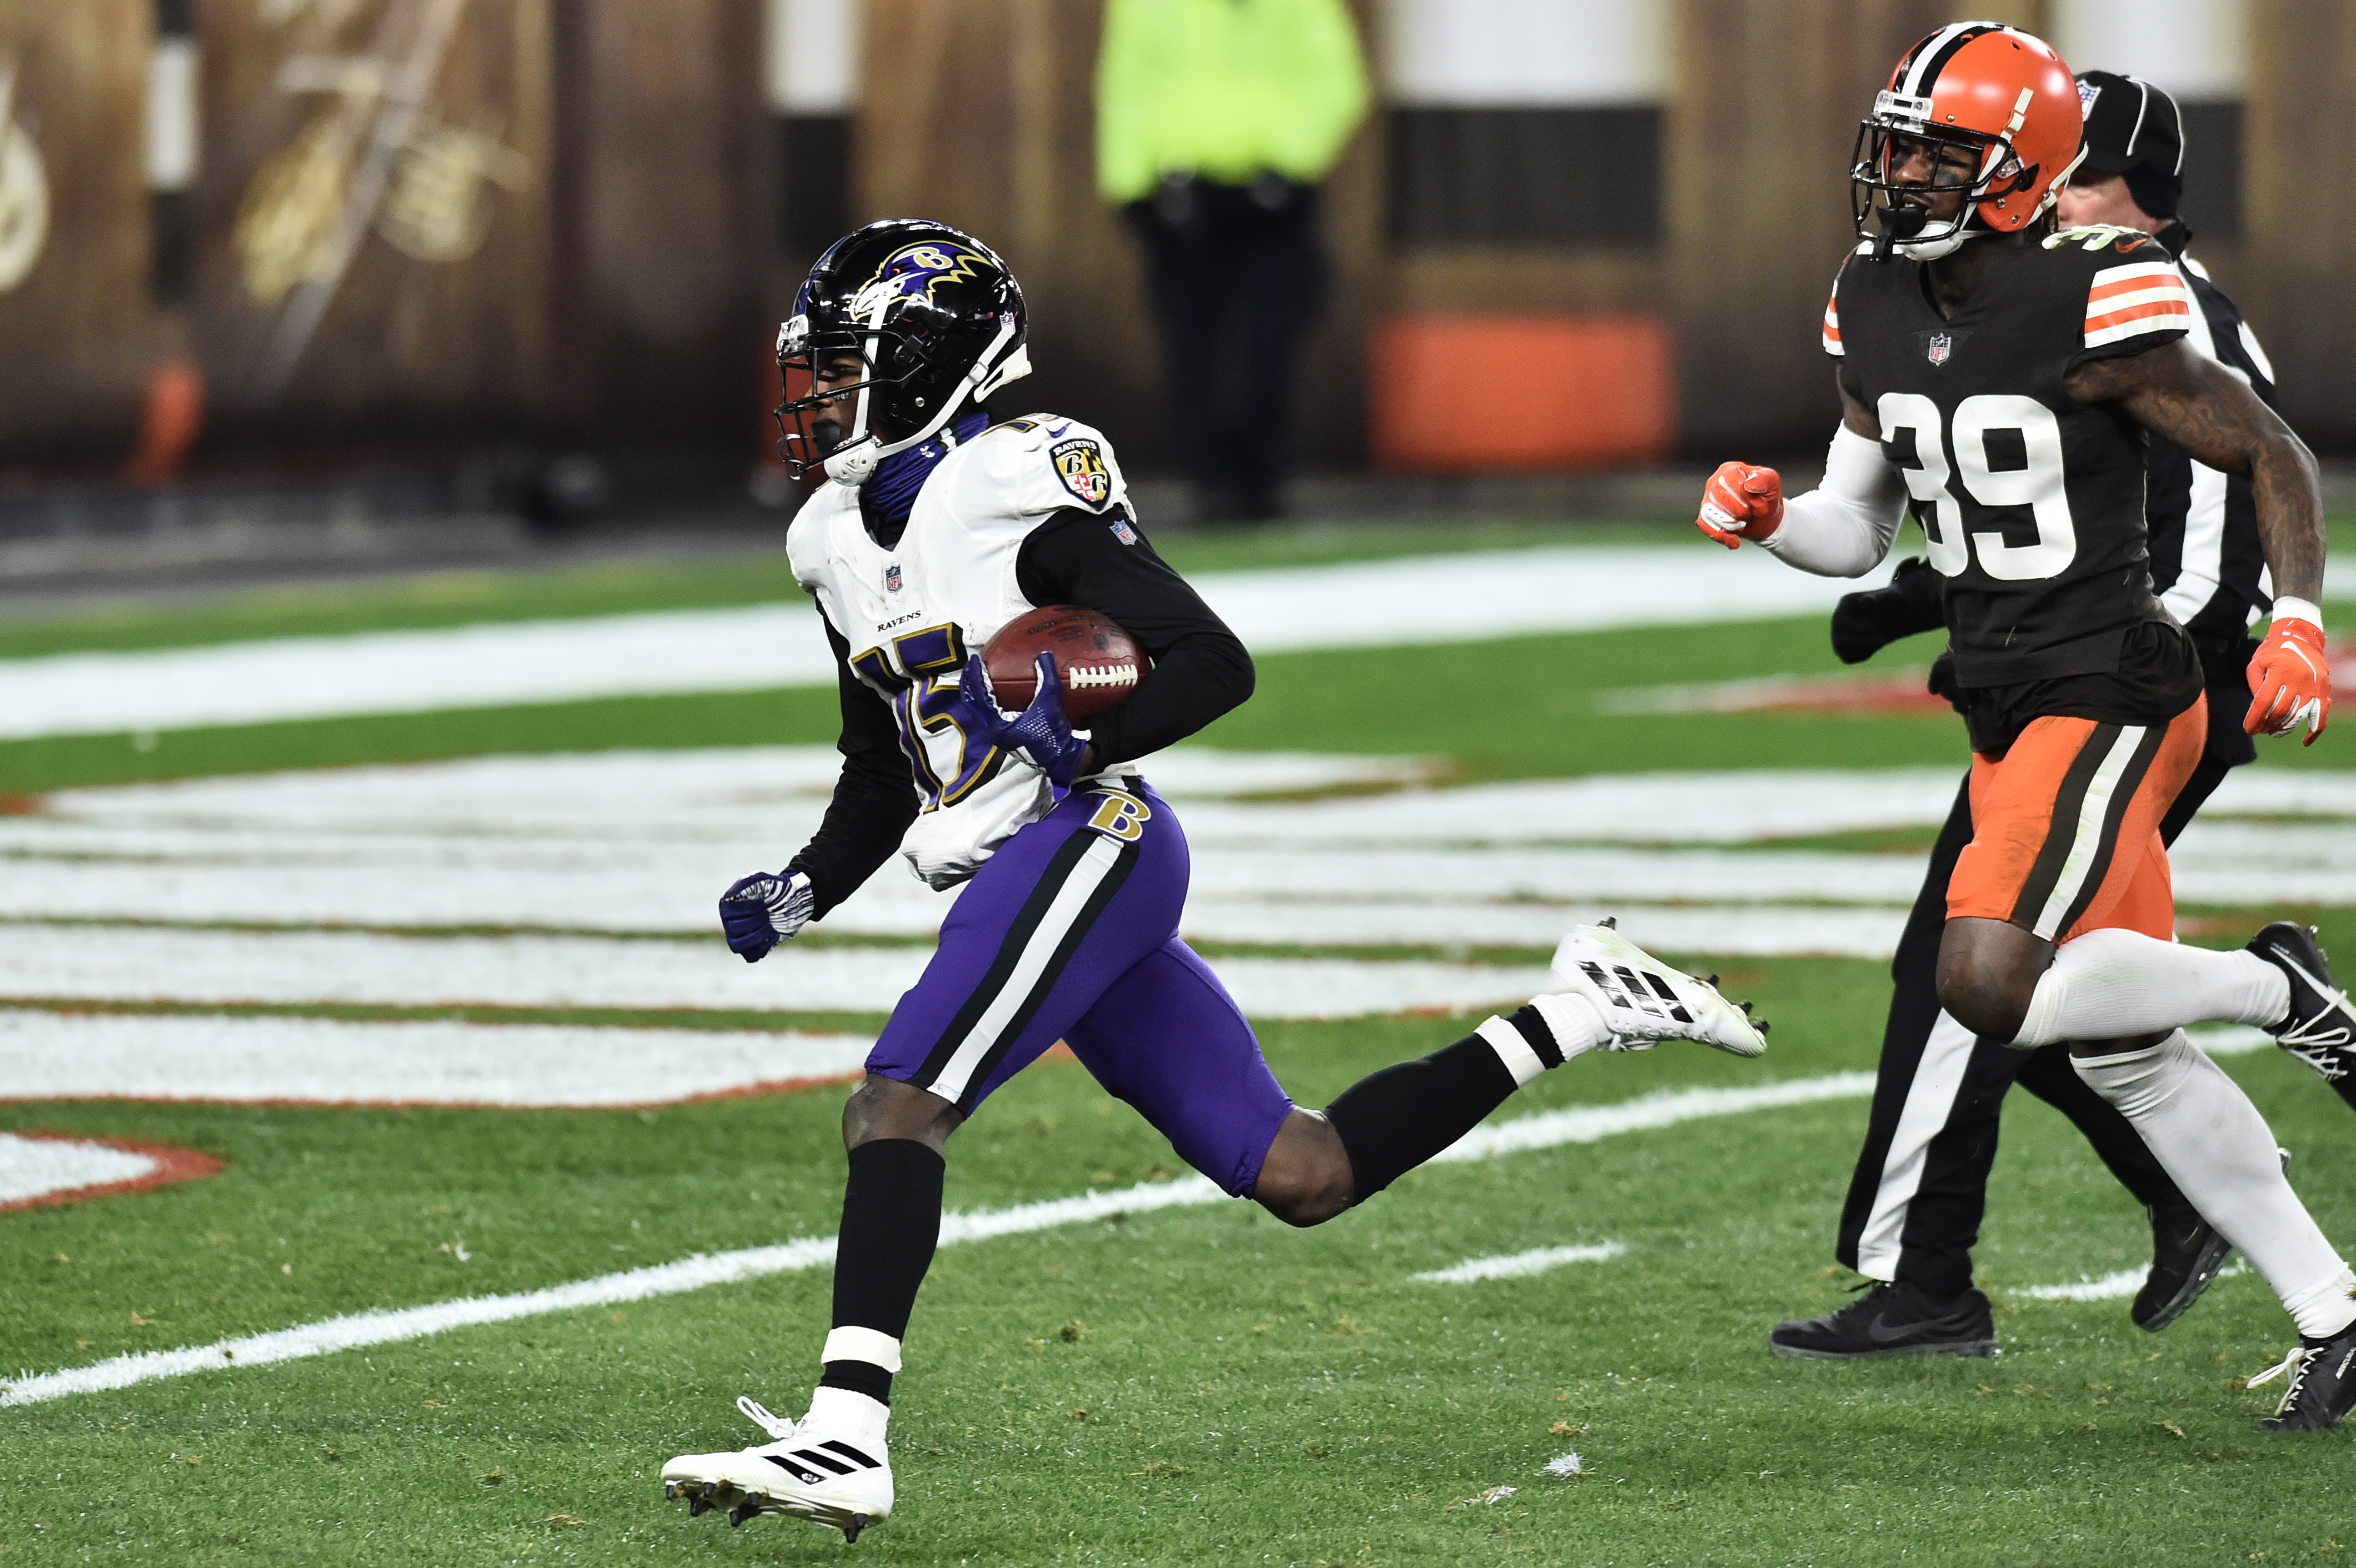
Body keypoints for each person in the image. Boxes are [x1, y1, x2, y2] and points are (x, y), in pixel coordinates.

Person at [658, 218, 1768, 1541]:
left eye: (850, 361)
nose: (823, 391)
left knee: (899, 1102)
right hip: (1021, 868)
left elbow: (1209, 658)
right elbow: (877, 762)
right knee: (1303, 1171)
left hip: (1090, 836)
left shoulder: (1016, 483)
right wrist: (799, 884)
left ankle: (844, 1436)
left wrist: (1074, 728)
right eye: (820, 366)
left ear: (938, 361)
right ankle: (1578, 1009)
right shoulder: (831, 537)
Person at [1692, 24, 2356, 1430]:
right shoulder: (1868, 296)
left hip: (2110, 680)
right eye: (1895, 142)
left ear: (2018, 174)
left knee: (1981, 976)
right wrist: (1769, 519)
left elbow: (2265, 451)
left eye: (1937, 152)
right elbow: (1855, 524)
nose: (1898, 173)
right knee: (2119, 1049)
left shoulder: (2102, 292)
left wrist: (2293, 619)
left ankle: (2274, 991)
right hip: (2003, 696)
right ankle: (2335, 1314)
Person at [1095, 0, 1368, 523]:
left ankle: (1263, 478)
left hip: (1273, 200)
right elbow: (1125, 87)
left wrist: (1289, 162)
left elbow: (1333, 80)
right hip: (1181, 195)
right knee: (1190, 342)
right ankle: (1210, 481)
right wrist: (1130, 182)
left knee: (1272, 338)